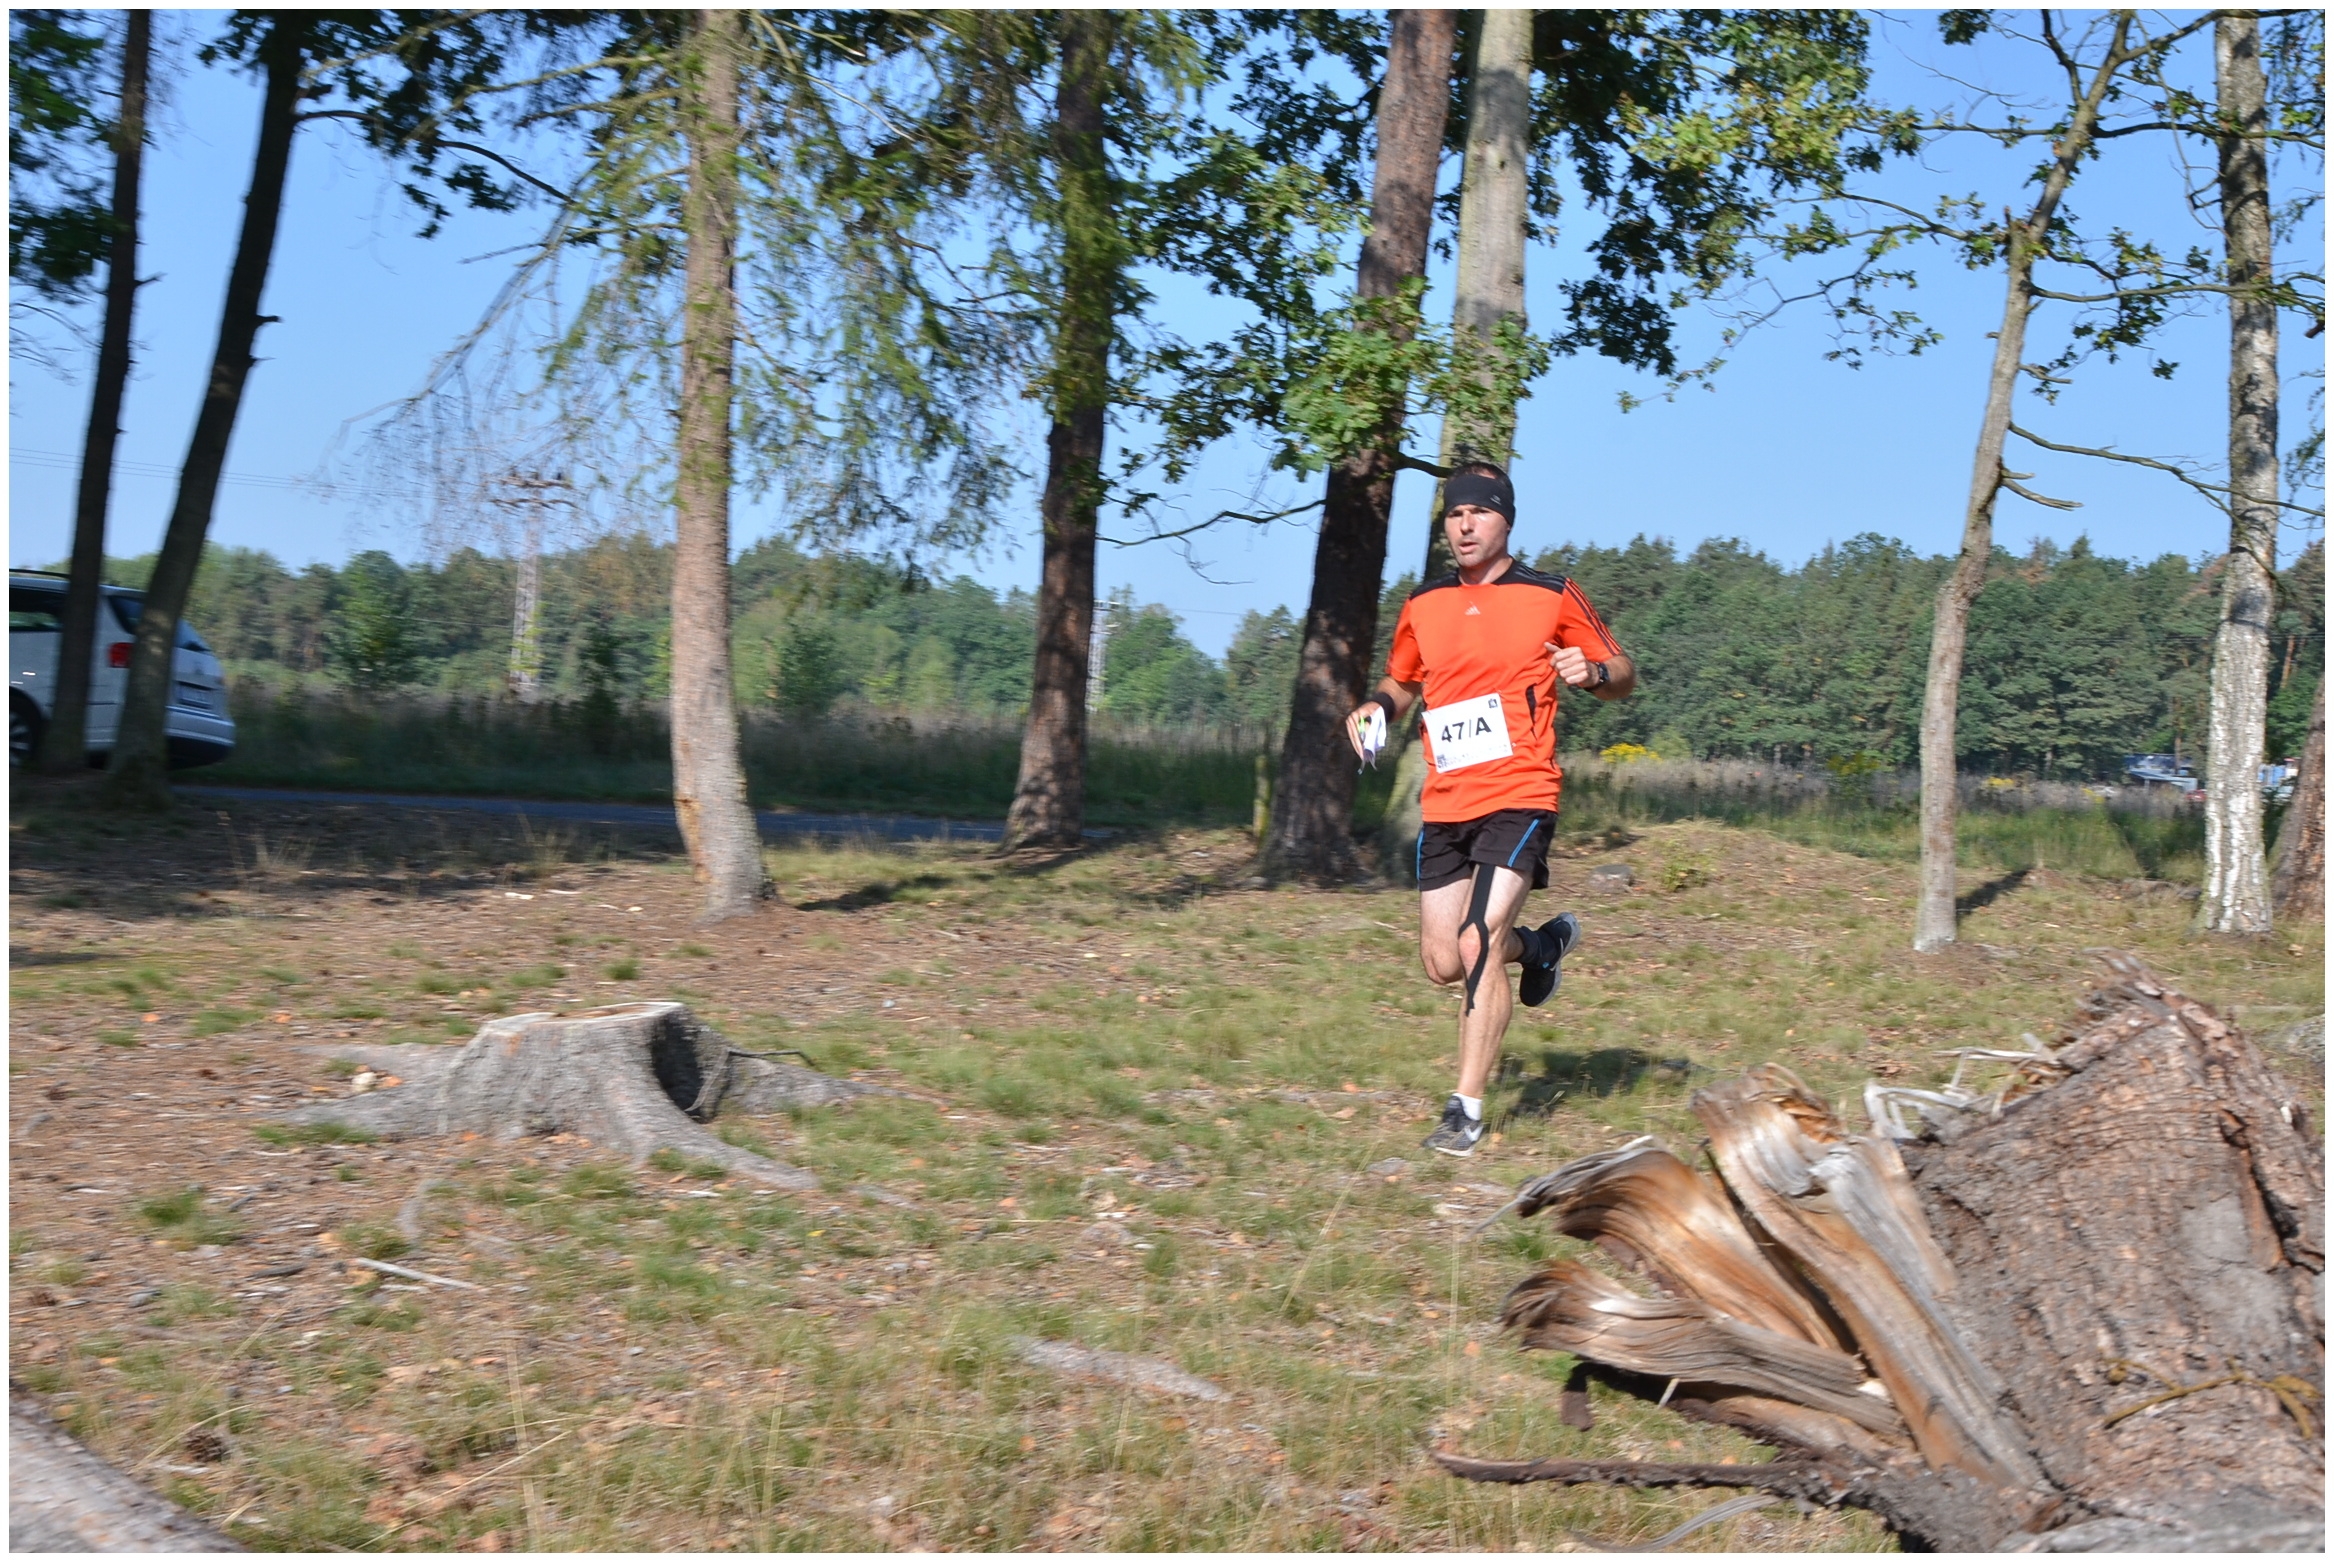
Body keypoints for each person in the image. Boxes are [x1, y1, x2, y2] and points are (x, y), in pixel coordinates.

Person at [1346, 461, 1635, 1156]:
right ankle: (1540, 947)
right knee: (1443, 961)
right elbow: (1402, 680)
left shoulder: (1551, 594)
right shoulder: (1425, 604)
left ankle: (1465, 1111)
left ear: (1506, 520)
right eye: (1454, 514)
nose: (1465, 524)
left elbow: (1623, 673)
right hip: (1447, 801)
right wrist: (1375, 709)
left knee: (1477, 939)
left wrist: (1591, 673)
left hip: (1521, 791)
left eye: (1479, 512)